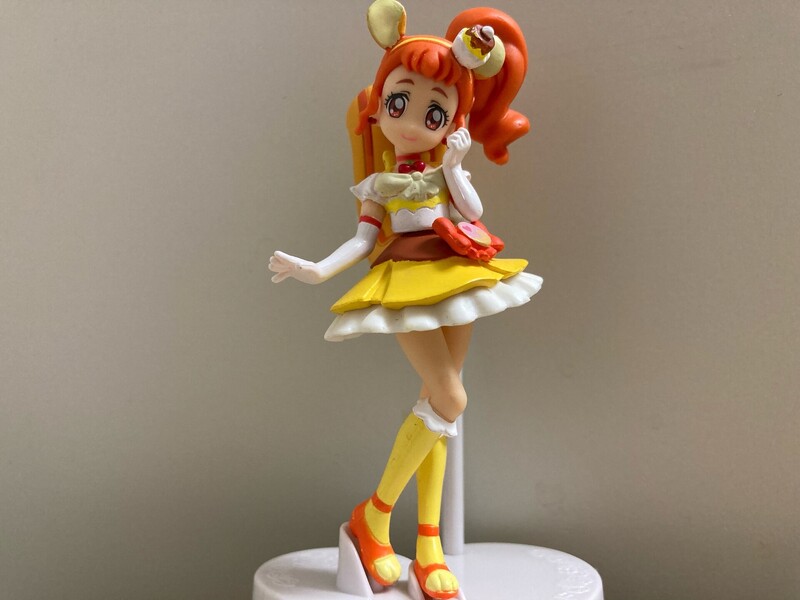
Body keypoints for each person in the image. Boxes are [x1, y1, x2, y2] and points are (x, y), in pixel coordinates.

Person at [269, 2, 542, 597]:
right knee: (450, 397)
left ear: (452, 121)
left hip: (458, 267)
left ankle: (428, 545)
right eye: (400, 102)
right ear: (379, 104)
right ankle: (374, 513)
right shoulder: (379, 182)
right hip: (406, 278)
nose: (414, 121)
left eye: (434, 111)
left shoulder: (444, 168)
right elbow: (363, 238)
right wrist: (315, 270)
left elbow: (471, 210)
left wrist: (456, 164)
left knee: (438, 406)